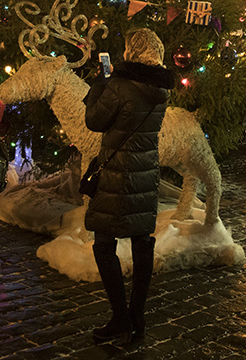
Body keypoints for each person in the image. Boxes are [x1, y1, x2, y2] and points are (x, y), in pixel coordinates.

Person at [83, 28, 174, 344]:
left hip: (118, 175)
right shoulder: (161, 89)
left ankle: (120, 318)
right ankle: (137, 314)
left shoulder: (118, 86)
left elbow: (94, 121)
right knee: (141, 240)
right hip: (146, 174)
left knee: (104, 242)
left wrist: (99, 85)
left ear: (131, 52)